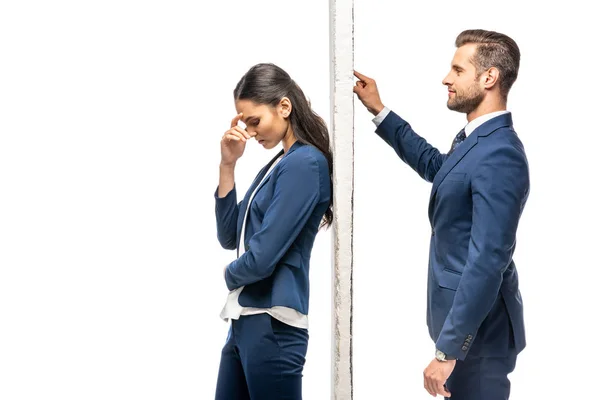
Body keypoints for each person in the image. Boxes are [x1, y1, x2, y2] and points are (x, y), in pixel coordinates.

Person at [353, 29, 529, 399]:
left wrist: (449, 349)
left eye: (457, 70)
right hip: (465, 330)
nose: (446, 78)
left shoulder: (501, 154)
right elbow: (439, 167)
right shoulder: (475, 141)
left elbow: (488, 260)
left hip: (479, 337)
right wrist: (379, 110)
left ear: (489, 78)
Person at [213, 63, 333, 400]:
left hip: (272, 322)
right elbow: (229, 235)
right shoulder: (280, 162)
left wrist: (229, 274)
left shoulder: (305, 163)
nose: (250, 132)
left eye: (255, 121)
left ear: (284, 107)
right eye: (244, 123)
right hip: (247, 320)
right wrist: (228, 164)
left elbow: (262, 258)